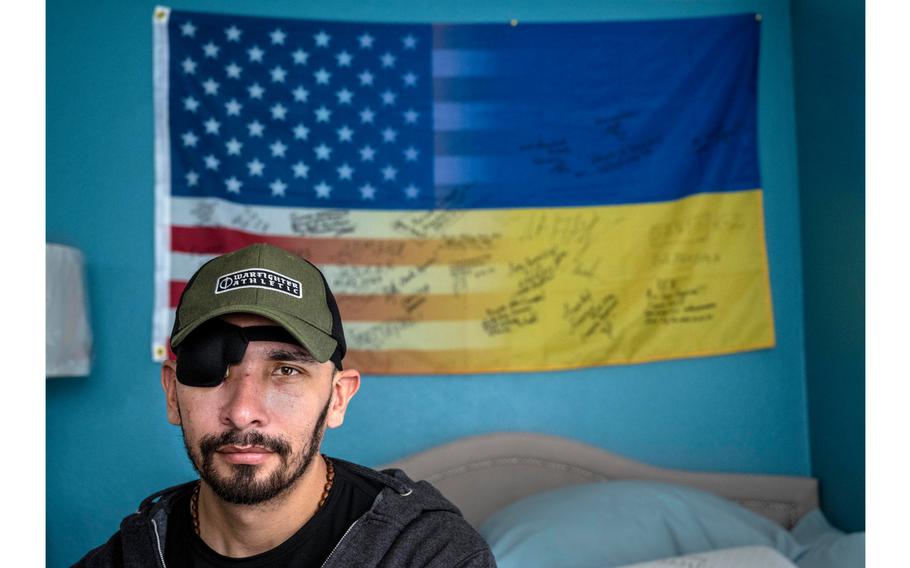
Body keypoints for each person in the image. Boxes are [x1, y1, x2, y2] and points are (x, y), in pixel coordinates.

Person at [75, 243, 497, 567]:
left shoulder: (425, 553)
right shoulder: (131, 556)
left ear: (337, 397)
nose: (242, 412)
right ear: (172, 394)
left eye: (286, 372)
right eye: (215, 371)